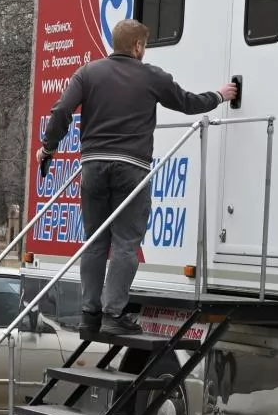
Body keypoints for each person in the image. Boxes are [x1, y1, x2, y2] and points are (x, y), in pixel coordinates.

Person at [36, 19, 238, 336]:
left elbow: (62, 111)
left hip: (93, 166)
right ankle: (113, 315)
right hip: (131, 167)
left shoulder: (88, 73)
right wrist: (220, 95)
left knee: (94, 241)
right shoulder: (151, 76)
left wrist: (48, 147)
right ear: (137, 46)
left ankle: (91, 311)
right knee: (126, 243)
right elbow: (188, 103)